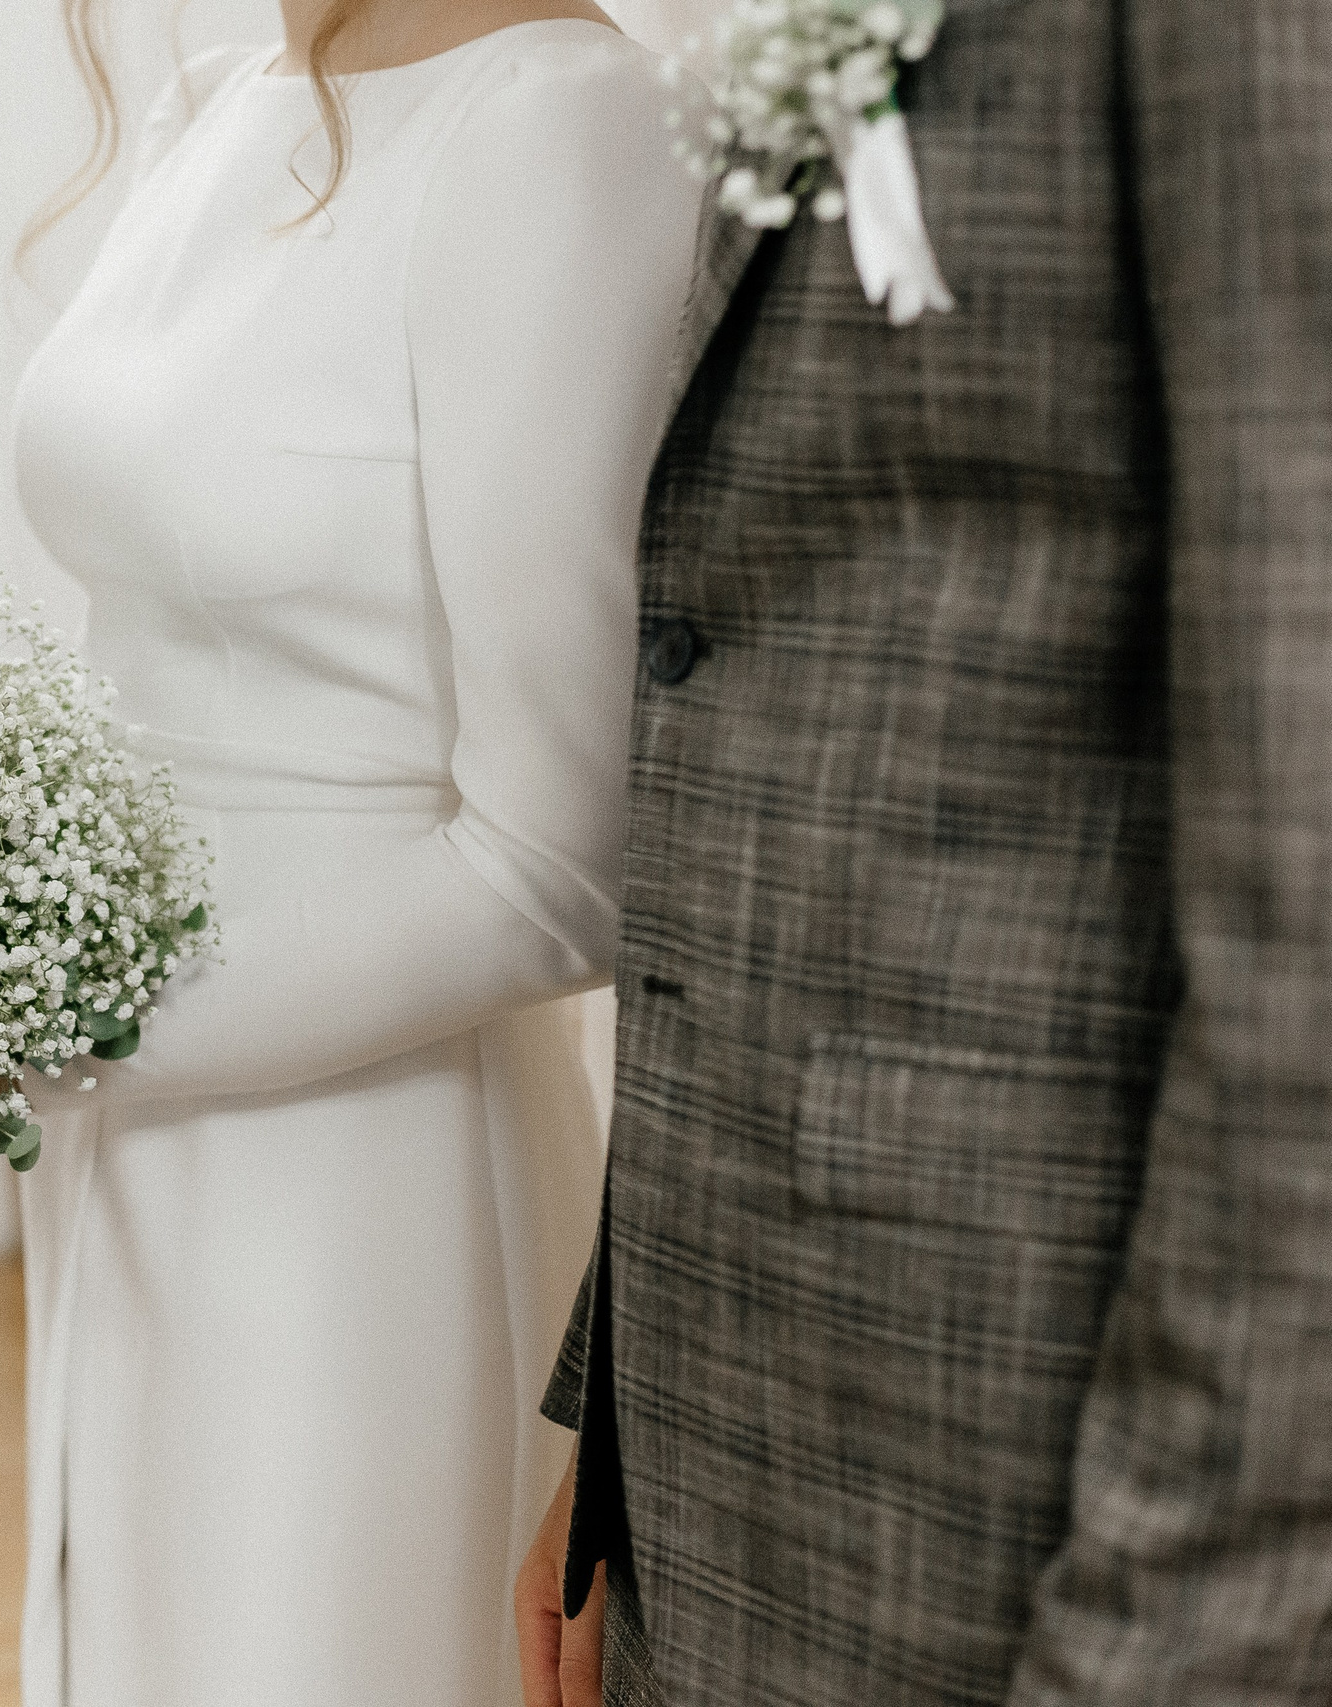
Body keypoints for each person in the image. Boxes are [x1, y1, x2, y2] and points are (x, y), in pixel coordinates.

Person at [0, 1, 695, 1700]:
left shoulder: (557, 120)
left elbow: (562, 866)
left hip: (352, 1179)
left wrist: (33, 1043)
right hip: (125, 1137)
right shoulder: (219, 100)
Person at [511, 0, 1332, 1702]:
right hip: (730, 1434)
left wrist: (1185, 1644)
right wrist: (615, 1432)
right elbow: (742, 701)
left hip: (1044, 1482)